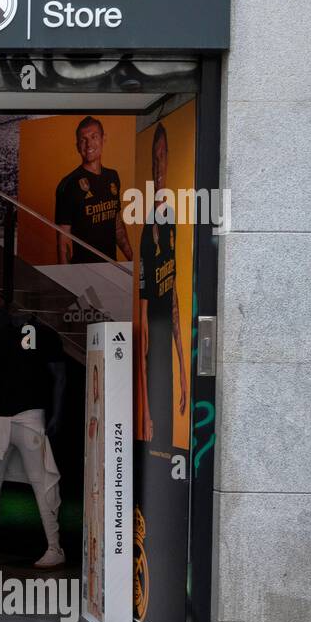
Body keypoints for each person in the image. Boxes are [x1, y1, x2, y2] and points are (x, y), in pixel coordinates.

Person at [0, 317, 66, 568]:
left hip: (29, 416)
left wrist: (57, 414)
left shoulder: (45, 334)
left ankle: (55, 546)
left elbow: (60, 376)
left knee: (43, 483)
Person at [136, 123, 187, 449]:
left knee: (167, 441)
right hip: (153, 350)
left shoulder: (171, 224)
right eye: (154, 158)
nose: (159, 163)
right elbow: (141, 321)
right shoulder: (146, 232)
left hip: (167, 354)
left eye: (162, 156)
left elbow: (174, 297)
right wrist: (143, 408)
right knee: (155, 437)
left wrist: (184, 368)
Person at [54, 116, 133, 264]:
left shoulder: (112, 176)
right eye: (83, 139)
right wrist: (65, 278)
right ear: (78, 145)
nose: (89, 143)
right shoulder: (68, 185)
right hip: (83, 272)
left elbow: (116, 224)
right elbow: (63, 239)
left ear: (103, 139)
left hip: (111, 267)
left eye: (94, 137)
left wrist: (132, 259)